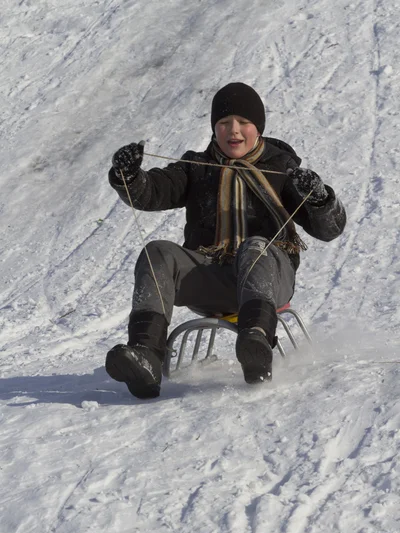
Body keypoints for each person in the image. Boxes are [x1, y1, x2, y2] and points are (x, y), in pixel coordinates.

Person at [105, 82, 346, 399]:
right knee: (157, 253)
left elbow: (330, 228)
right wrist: (130, 177)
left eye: (243, 123)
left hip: (270, 278)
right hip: (213, 280)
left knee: (255, 247)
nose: (234, 131)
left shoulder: (283, 170)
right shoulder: (197, 168)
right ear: (214, 128)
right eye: (224, 123)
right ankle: (146, 357)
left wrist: (320, 199)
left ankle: (255, 341)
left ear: (257, 127)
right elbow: (153, 191)